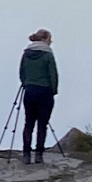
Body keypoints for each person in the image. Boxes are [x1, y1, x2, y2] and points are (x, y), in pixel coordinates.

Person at [17, 29, 59, 162]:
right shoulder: (48, 54)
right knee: (42, 124)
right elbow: (53, 74)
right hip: (45, 91)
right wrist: (53, 90)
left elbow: (21, 72)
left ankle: (26, 154)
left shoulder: (26, 54)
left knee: (28, 123)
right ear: (45, 39)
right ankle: (39, 154)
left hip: (29, 91)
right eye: (50, 39)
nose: (51, 41)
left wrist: (26, 83)